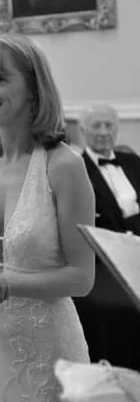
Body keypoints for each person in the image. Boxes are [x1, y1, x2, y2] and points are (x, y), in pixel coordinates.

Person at [0, 33, 109, 402]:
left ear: (33, 87)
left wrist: (1, 284)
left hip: (50, 347)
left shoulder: (64, 166)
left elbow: (81, 278)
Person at [75, 104, 140, 371]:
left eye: (108, 125)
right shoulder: (76, 170)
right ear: (82, 131)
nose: (103, 132)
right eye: (96, 126)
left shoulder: (133, 162)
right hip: (106, 258)